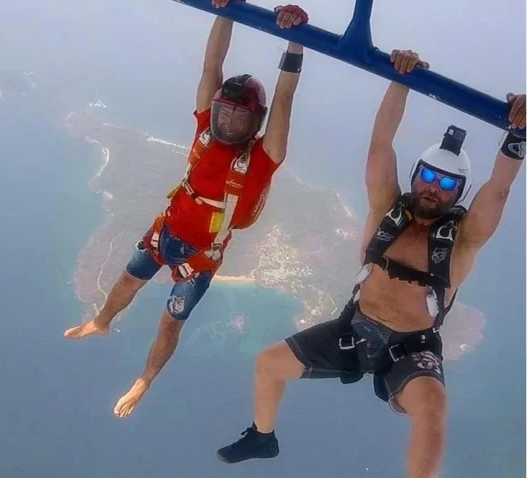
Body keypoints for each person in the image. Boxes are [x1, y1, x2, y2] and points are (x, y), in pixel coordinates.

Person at [215, 47, 526, 477]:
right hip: (354, 329)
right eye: (428, 176)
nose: (434, 188)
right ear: (415, 174)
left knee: (432, 411)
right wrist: (402, 80)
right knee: (267, 364)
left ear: (460, 193)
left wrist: (518, 135)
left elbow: (498, 191)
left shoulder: (463, 239)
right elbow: (381, 144)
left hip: (412, 348)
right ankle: (262, 437)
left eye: (447, 184)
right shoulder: (386, 209)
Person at [64, 2, 311, 418]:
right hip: (165, 230)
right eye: (223, 113)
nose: (227, 124)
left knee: (170, 323)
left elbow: (284, 96)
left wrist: (296, 40)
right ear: (214, 109)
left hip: (200, 257)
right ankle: (102, 320)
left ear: (256, 123)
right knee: (127, 281)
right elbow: (212, 63)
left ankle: (144, 381)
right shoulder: (205, 128)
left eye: (238, 119)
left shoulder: (263, 157)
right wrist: (226, 10)